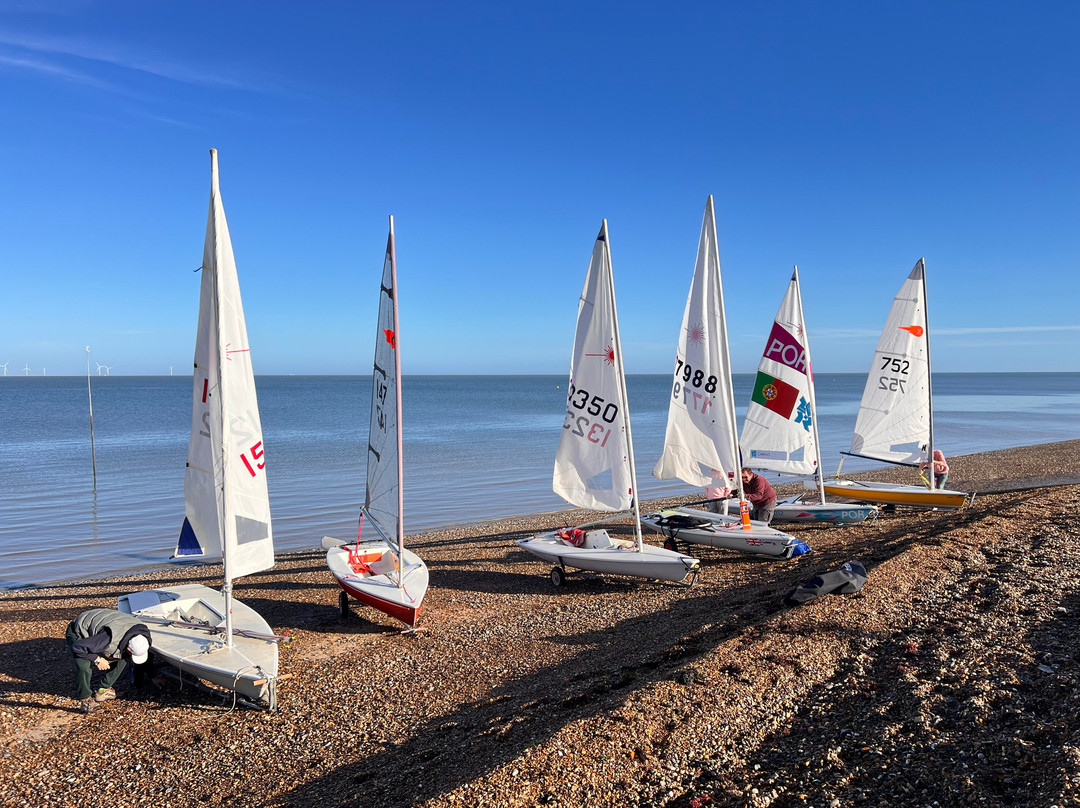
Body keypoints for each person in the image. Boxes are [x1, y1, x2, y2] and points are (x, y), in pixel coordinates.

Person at [66, 608, 152, 713]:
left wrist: (152, 675)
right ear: (129, 648)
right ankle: (85, 699)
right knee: (83, 664)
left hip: (103, 626)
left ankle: (103, 690)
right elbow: (77, 647)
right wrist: (97, 659)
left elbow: (142, 657)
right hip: (78, 630)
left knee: (123, 657)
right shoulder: (107, 638)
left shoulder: (143, 636)